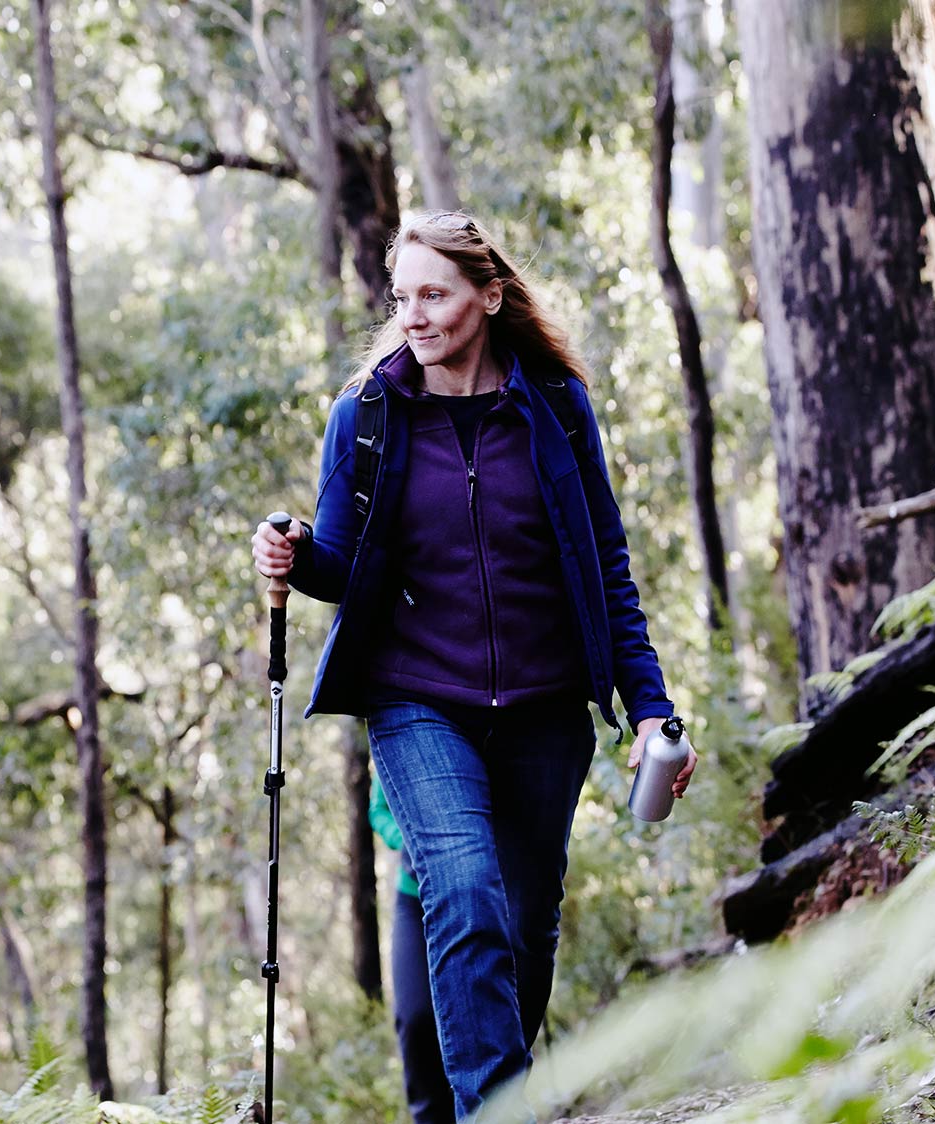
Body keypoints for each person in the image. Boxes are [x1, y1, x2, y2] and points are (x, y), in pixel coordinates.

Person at [251, 209, 698, 1122]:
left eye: (435, 294)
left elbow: (605, 561)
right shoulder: (367, 417)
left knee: (526, 932)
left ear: (488, 298)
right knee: (462, 890)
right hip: (418, 700)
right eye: (403, 296)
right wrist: (294, 550)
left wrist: (649, 705)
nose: (414, 316)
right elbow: (342, 561)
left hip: (545, 708)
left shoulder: (555, 410)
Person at [371, 776, 452, 1124]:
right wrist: (405, 839)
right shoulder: (404, 729)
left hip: (469, 895)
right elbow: (378, 809)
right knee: (414, 1015)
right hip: (413, 897)